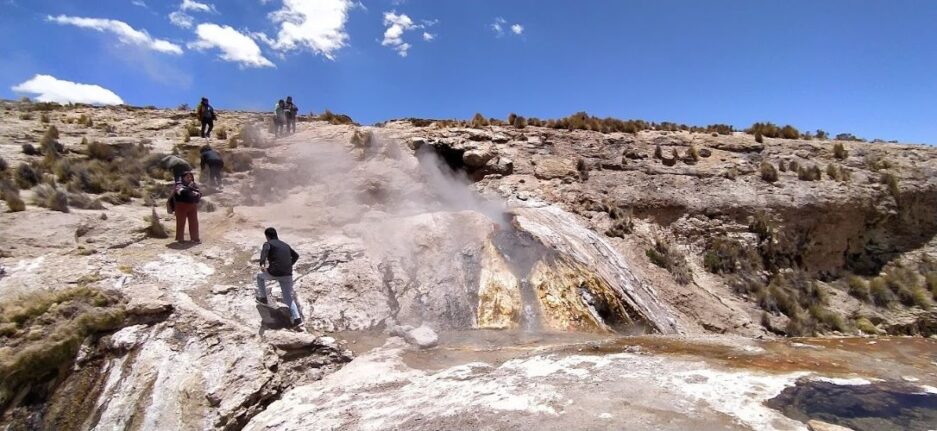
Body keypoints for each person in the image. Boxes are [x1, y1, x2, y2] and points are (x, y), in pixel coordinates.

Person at [256, 227, 303, 326]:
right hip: (287, 274)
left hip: (275, 272)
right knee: (288, 298)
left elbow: (264, 252)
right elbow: (296, 256)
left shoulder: (268, 244)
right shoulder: (285, 245)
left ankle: (264, 298)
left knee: (260, 277)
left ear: (267, 236)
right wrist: (289, 265)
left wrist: (262, 264)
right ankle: (297, 318)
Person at [173, 171, 201, 243]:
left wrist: (193, 192)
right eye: (187, 177)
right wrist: (190, 190)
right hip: (181, 206)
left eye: (190, 177)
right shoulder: (179, 185)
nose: (189, 178)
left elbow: (199, 193)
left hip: (192, 205)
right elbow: (182, 192)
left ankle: (195, 238)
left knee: (194, 222)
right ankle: (180, 239)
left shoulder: (193, 185)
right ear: (183, 178)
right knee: (181, 223)